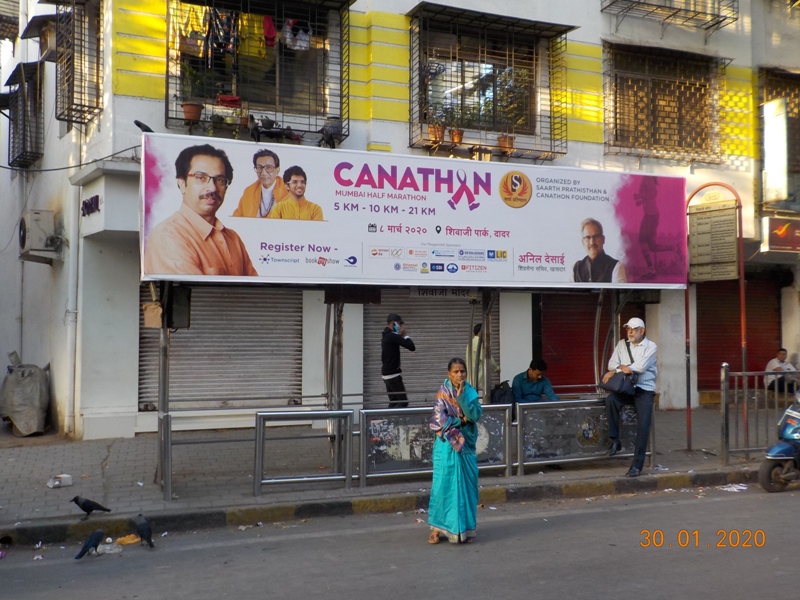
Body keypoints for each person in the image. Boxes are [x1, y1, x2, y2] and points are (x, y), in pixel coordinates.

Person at [144, 144, 258, 276]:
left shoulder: (233, 239)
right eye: (200, 177)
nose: (212, 188)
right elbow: (195, 296)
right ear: (182, 184)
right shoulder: (168, 236)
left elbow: (256, 293)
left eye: (219, 180)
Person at [428, 357, 483, 544]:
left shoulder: (470, 392)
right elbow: (438, 421)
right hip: (446, 447)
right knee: (442, 486)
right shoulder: (442, 393)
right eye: (456, 371)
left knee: (467, 488)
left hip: (466, 446)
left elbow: (475, 415)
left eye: (462, 371)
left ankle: (465, 530)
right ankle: (436, 529)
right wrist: (461, 420)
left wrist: (461, 398)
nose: (460, 374)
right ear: (449, 374)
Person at [603, 317, 658, 478]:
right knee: (611, 400)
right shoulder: (622, 344)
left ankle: (637, 465)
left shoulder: (651, 346)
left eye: (634, 329)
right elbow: (611, 364)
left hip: (644, 390)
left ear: (642, 331)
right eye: (628, 329)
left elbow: (640, 367)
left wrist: (621, 369)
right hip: (627, 388)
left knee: (643, 425)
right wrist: (620, 368)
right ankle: (615, 440)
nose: (630, 332)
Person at [231, 149, 289, 217]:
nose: (263, 173)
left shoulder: (289, 191)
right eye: (259, 168)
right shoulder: (249, 192)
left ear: (277, 171)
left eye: (269, 168)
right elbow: (237, 218)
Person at [571, 218, 627, 283]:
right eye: (588, 237)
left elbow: (617, 293)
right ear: (583, 242)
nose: (592, 242)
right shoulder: (575, 268)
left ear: (603, 239)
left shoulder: (616, 266)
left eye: (596, 236)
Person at [381, 313, 415, 408]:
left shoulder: (386, 335)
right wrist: (405, 335)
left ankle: (388, 420)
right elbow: (411, 347)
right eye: (399, 324)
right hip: (393, 375)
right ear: (394, 323)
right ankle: (390, 420)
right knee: (403, 401)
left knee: (394, 401)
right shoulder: (392, 336)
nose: (401, 326)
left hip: (386, 374)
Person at [466, 323, 500, 398]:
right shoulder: (479, 344)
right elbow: (487, 358)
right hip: (479, 383)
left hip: (471, 382)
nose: (489, 335)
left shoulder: (470, 344)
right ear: (481, 332)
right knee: (481, 405)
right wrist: (497, 368)